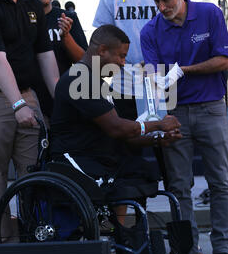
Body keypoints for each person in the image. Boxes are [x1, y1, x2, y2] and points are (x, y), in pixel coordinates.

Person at [140, 0, 228, 254]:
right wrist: (156, 113)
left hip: (211, 107)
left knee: (220, 181)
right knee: (179, 185)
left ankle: (222, 250)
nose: (162, 7)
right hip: (175, 113)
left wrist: (184, 69)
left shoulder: (209, 14)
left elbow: (224, 59)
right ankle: (188, 250)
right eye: (157, 1)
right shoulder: (151, 30)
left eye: (167, 0)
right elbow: (154, 79)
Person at [50, 24, 182, 224]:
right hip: (76, 159)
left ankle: (120, 234)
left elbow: (122, 135)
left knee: (141, 170)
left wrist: (156, 139)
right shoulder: (79, 79)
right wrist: (159, 125)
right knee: (120, 178)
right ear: (102, 50)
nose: (123, 63)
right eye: (121, 56)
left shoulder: (97, 82)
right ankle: (113, 233)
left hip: (100, 155)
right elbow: (117, 127)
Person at [0, 0, 60, 240]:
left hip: (26, 96)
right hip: (2, 99)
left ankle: (33, 237)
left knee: (32, 171)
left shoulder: (32, 5)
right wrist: (18, 103)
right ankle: (5, 242)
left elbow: (45, 56)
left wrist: (60, 99)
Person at [93, 0, 158, 120]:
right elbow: (101, 38)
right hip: (123, 84)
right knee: (127, 142)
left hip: (160, 82)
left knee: (162, 143)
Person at [28, 0, 88, 120]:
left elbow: (84, 60)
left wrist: (66, 36)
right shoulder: (20, 15)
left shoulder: (67, 17)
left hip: (61, 95)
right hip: (30, 96)